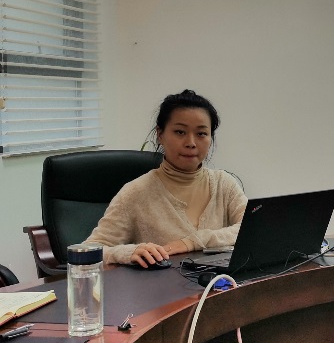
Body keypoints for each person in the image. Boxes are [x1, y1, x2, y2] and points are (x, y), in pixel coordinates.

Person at [86, 89, 247, 267]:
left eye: (201, 133)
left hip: (220, 283)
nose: (191, 143)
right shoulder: (135, 193)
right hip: (160, 285)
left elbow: (254, 230)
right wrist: (127, 253)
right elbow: (89, 250)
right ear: (160, 135)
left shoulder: (224, 184)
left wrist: (193, 242)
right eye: (180, 132)